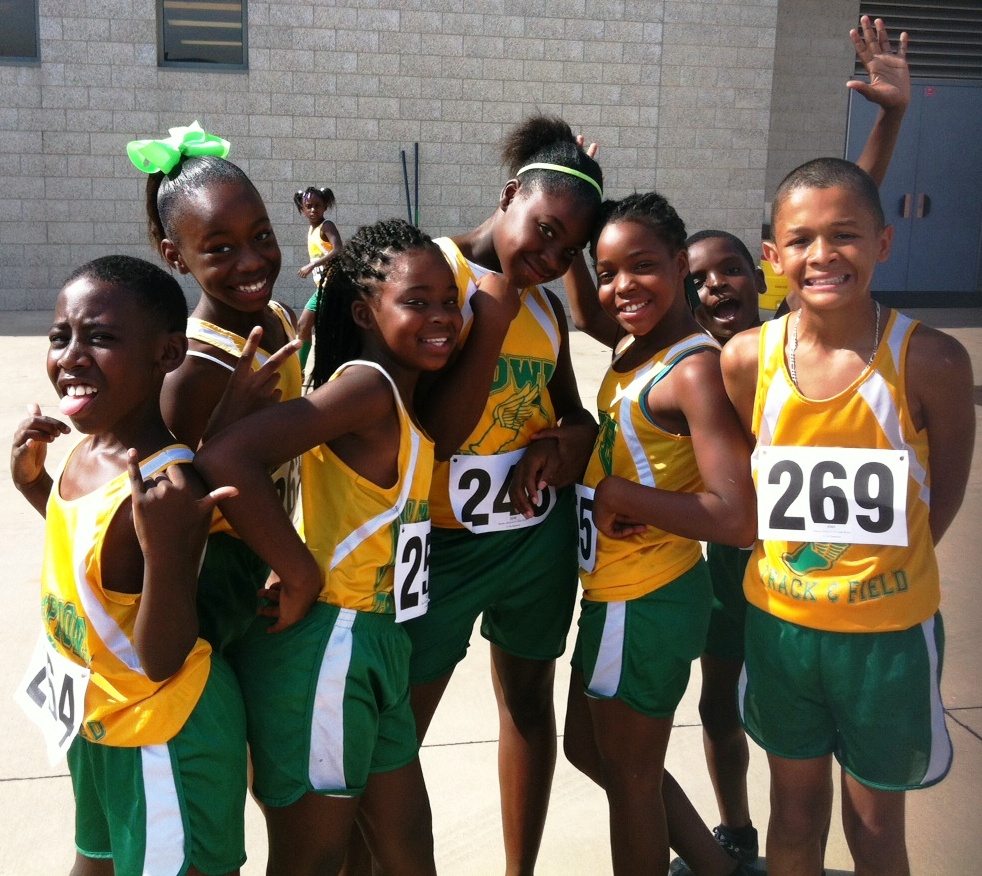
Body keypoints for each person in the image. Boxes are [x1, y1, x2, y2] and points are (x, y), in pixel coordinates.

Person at [720, 157, 974, 876]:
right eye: (800, 240)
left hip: (886, 642)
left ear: (884, 244)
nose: (823, 255)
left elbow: (942, 499)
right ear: (772, 256)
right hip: (781, 631)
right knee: (793, 820)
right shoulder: (746, 360)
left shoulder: (932, 361)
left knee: (874, 830)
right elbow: (752, 481)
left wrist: (880, 577)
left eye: (846, 236)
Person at [195, 219, 461, 876]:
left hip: (378, 644)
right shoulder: (367, 388)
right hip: (327, 651)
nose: (442, 317)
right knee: (312, 859)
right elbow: (229, 456)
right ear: (366, 312)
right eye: (418, 300)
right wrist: (299, 572)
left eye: (449, 300)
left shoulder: (393, 390)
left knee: (406, 847)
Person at [400, 115, 603, 876]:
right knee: (394, 735)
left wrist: (576, 438)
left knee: (527, 698)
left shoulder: (545, 304)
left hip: (529, 536)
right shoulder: (433, 275)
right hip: (439, 543)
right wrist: (489, 314)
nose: (551, 257)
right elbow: (427, 432)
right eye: (545, 232)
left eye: (570, 251)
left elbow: (571, 409)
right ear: (510, 193)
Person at [10, 255, 247, 876]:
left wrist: (171, 556)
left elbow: (163, 657)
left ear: (167, 355)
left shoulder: (167, 487)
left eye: (103, 338)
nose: (72, 355)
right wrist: (33, 485)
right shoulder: (89, 451)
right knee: (99, 858)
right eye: (61, 336)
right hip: (100, 718)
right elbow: (94, 558)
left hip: (162, 730)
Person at [557, 192, 757, 876]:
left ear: (679, 265)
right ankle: (717, 868)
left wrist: (619, 492)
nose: (621, 287)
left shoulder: (694, 370)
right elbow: (589, 311)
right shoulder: (640, 348)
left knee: (631, 778)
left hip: (646, 597)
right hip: (616, 594)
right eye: (608, 272)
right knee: (591, 750)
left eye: (641, 267)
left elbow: (737, 514)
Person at [128, 122, 305, 651]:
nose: (251, 262)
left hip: (266, 544)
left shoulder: (277, 317)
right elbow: (164, 510)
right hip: (214, 572)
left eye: (262, 236)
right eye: (220, 248)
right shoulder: (194, 368)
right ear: (175, 256)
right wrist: (225, 432)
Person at [295, 185, 343, 371]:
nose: (313, 210)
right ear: (303, 208)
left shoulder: (327, 226)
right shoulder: (311, 229)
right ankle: (300, 370)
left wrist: (312, 265)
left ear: (325, 207)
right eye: (309, 206)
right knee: (304, 325)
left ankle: (328, 370)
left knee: (324, 331)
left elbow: (338, 249)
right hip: (322, 288)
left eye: (317, 205)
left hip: (334, 286)